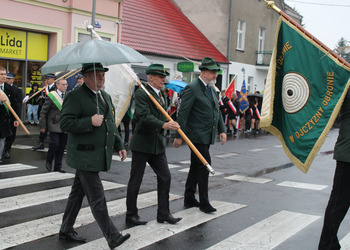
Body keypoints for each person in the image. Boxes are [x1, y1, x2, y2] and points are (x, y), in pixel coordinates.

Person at [59, 63, 130, 248]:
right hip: (84, 156)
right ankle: (112, 236)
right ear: (86, 77)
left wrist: (119, 144)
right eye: (97, 75)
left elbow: (110, 124)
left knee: (77, 194)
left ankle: (65, 229)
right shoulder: (75, 96)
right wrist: (88, 121)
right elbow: (65, 123)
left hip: (96, 155)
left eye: (103, 75)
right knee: (97, 197)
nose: (102, 78)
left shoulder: (104, 96)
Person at [126, 64, 182, 225]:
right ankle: (131, 214)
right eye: (160, 77)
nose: (163, 80)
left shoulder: (161, 95)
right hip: (142, 143)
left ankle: (163, 213)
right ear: (151, 78)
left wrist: (170, 123)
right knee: (136, 180)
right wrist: (163, 125)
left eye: (164, 76)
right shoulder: (143, 94)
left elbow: (162, 115)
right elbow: (144, 116)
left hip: (157, 144)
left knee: (165, 177)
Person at [173, 57, 227, 213]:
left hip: (207, 135)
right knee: (205, 166)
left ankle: (189, 198)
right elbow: (183, 114)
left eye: (215, 72)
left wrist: (222, 130)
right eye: (212, 72)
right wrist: (178, 136)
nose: (214, 75)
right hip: (196, 136)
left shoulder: (211, 89)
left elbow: (216, 111)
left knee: (195, 167)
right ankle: (204, 202)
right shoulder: (192, 88)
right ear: (203, 72)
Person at [318, 89, 350, 250]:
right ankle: (327, 245)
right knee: (338, 204)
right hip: (347, 155)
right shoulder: (347, 80)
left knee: (338, 204)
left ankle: (329, 245)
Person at [39, 79, 68, 173]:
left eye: (66, 84)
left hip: (64, 125)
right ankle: (49, 160)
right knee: (55, 144)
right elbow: (43, 112)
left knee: (62, 147)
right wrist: (42, 125)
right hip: (54, 124)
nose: (65, 86)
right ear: (57, 85)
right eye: (63, 84)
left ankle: (58, 166)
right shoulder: (52, 96)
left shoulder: (68, 96)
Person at [32, 73, 56, 150]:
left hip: (52, 110)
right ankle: (41, 142)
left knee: (54, 128)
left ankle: (56, 143)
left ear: (53, 79)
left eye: (48, 79)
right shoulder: (45, 88)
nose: (47, 80)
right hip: (45, 109)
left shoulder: (55, 88)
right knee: (43, 127)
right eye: (46, 79)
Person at [0, 70, 19, 162]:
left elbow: (15, 105)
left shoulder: (10, 89)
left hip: (4, 120)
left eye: (5, 74)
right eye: (2, 74)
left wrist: (16, 119)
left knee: (2, 139)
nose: (4, 76)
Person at [3, 72, 22, 159]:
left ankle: (7, 149)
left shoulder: (16, 90)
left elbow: (17, 105)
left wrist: (16, 119)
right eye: (6, 78)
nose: (7, 79)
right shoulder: (2, 89)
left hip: (11, 116)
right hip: (3, 116)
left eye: (9, 78)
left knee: (11, 134)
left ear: (13, 80)